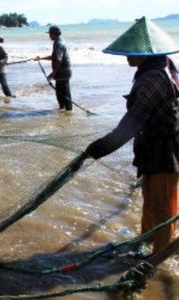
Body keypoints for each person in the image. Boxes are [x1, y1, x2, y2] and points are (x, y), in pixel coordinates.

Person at [84, 17, 179, 255]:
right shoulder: (155, 67)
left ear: (146, 53)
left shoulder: (154, 77)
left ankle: (159, 257)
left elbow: (132, 123)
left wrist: (101, 147)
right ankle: (146, 242)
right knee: (151, 202)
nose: (126, 56)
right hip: (154, 146)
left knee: (164, 207)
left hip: (166, 150)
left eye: (131, 52)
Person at [35, 26, 72, 111]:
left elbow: (58, 61)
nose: (49, 36)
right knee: (59, 94)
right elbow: (54, 57)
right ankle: (63, 113)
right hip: (62, 72)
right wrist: (41, 58)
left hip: (63, 72)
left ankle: (68, 112)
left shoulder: (59, 44)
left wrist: (52, 74)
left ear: (53, 34)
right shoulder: (57, 42)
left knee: (65, 94)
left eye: (50, 34)